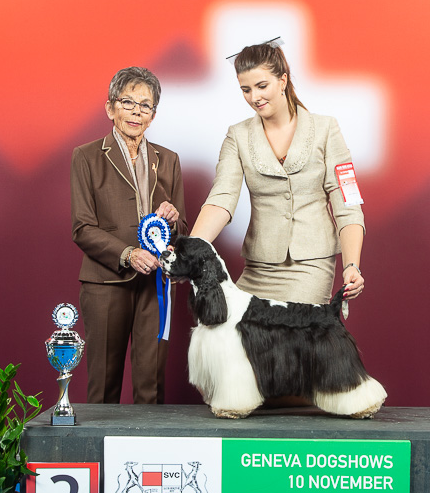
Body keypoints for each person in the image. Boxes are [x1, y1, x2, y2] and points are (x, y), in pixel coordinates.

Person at [190, 42, 365, 305]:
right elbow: (221, 198)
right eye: (246, 90)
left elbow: (347, 204)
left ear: (283, 80)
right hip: (258, 267)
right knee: (234, 330)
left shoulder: (327, 129)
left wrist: (352, 265)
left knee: (293, 332)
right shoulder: (237, 135)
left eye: (262, 86)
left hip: (311, 266)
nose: (254, 97)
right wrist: (191, 246)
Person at [71, 66, 187, 404]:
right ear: (110, 108)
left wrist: (173, 221)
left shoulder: (169, 160)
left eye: (145, 105)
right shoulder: (86, 156)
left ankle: (149, 441)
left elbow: (181, 229)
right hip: (106, 282)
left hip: (156, 285)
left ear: (153, 115)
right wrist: (128, 254)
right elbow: (82, 227)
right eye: (128, 102)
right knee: (103, 386)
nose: (137, 112)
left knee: (152, 386)